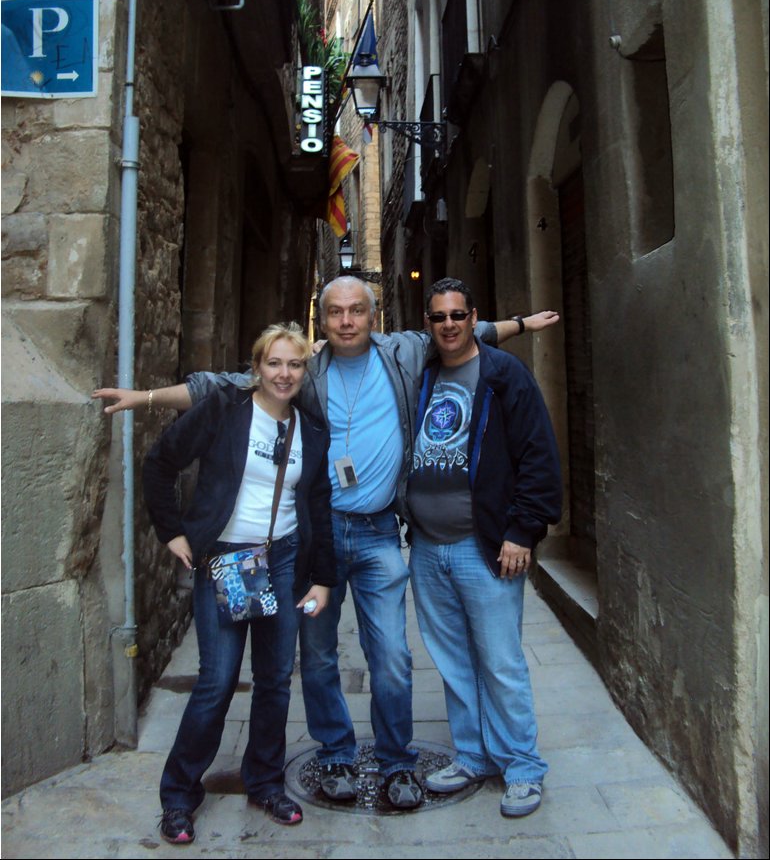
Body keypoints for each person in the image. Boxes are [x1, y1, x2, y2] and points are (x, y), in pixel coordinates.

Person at [97, 278, 559, 810]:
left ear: (373, 314)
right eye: (335, 311)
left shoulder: (404, 353)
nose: (346, 321)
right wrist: (147, 397)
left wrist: (521, 324)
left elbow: (461, 331)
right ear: (322, 318)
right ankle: (336, 753)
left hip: (380, 531)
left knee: (390, 655)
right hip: (313, 536)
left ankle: (396, 760)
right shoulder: (305, 366)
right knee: (313, 659)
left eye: (356, 310)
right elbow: (223, 386)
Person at [142, 322, 335, 844]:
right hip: (229, 560)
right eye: (274, 363)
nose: (284, 373)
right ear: (257, 367)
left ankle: (266, 781)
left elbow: (318, 505)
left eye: (294, 365)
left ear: (304, 372)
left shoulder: (311, 430)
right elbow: (159, 462)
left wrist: (323, 579)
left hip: (285, 559)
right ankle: (179, 795)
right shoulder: (225, 411)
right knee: (217, 680)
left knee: (274, 679)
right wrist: (172, 533)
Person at [406, 278, 562, 819]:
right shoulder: (422, 374)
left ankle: (521, 767)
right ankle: (473, 755)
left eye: (457, 314)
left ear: (474, 318)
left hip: (487, 546)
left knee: (500, 662)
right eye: (437, 317)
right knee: (453, 661)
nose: (448, 324)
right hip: (427, 548)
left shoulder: (503, 375)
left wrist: (523, 531)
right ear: (428, 324)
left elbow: (539, 457)